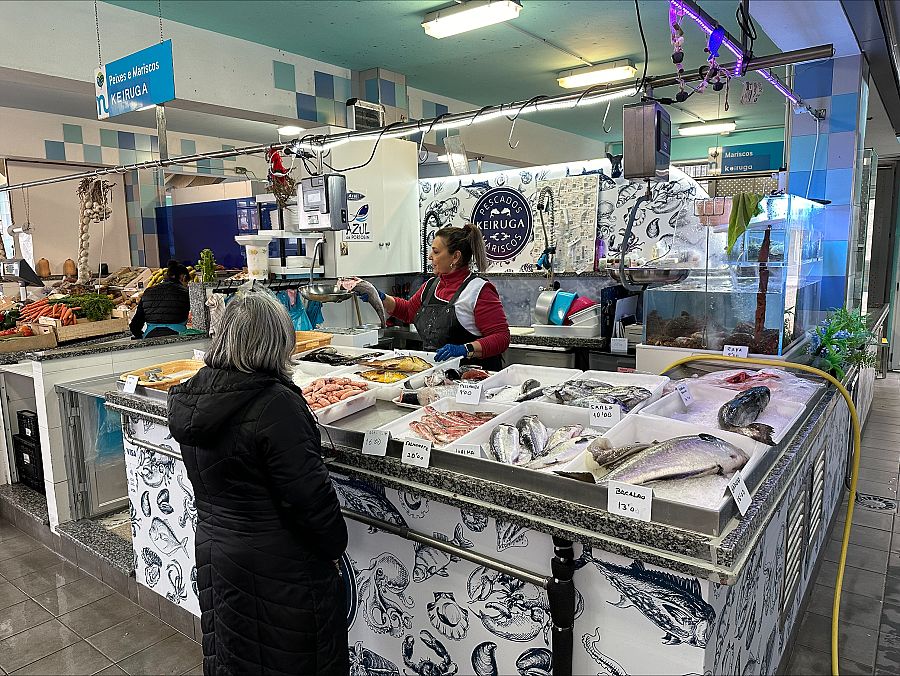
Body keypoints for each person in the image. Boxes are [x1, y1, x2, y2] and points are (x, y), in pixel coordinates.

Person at [168, 290, 349, 676]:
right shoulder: (275, 404)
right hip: (283, 569)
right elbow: (309, 499)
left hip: (219, 558)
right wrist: (335, 546)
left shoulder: (192, 394)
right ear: (274, 343)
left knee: (237, 656)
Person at [379, 224, 510, 371]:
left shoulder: (479, 290)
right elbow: (409, 311)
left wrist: (465, 349)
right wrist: (379, 297)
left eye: (435, 252)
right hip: (439, 373)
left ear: (455, 256)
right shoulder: (431, 285)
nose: (430, 256)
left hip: (475, 378)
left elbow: (501, 337)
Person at [129, 260, 191, 339]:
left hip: (150, 337)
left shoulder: (148, 292)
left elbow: (135, 325)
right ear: (183, 277)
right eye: (187, 282)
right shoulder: (185, 293)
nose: (186, 285)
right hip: (179, 337)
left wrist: (141, 338)